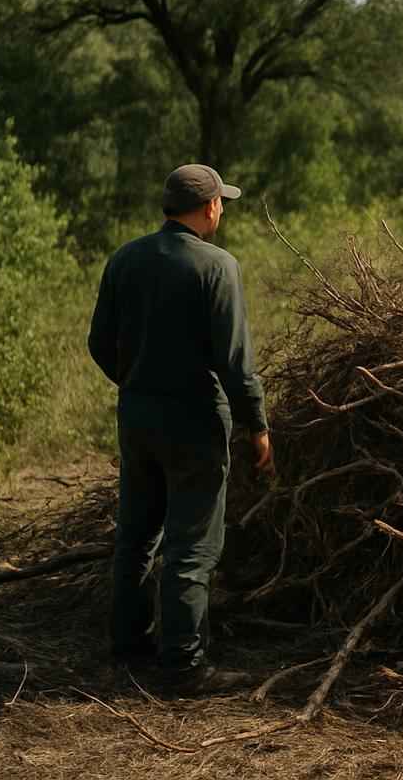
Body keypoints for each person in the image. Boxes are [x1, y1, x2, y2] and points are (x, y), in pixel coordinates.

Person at [88, 164, 274, 694]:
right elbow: (236, 363)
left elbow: (99, 343)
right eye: (221, 202)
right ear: (210, 206)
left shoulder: (125, 259)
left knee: (137, 534)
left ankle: (127, 651)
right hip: (194, 420)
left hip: (138, 415)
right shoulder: (217, 266)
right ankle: (184, 666)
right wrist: (256, 426)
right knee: (192, 543)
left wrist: (135, 381)